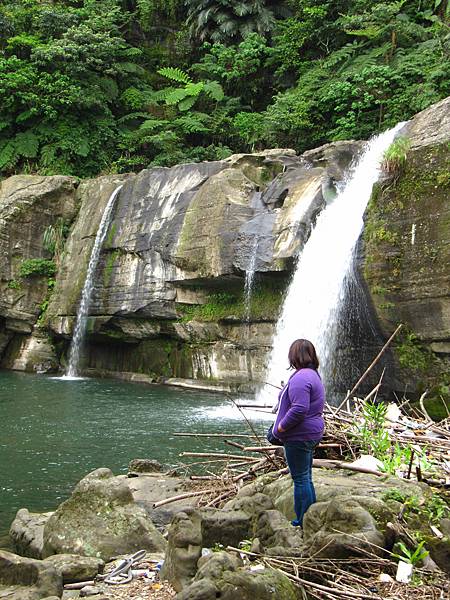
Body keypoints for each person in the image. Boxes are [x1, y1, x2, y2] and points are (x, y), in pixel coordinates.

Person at [272, 339, 325, 527]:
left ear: (294, 356)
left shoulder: (301, 378)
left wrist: (280, 428)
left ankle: (302, 520)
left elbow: (299, 409)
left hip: (299, 436)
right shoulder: (312, 375)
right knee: (306, 476)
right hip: (310, 433)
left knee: (300, 479)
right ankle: (309, 517)